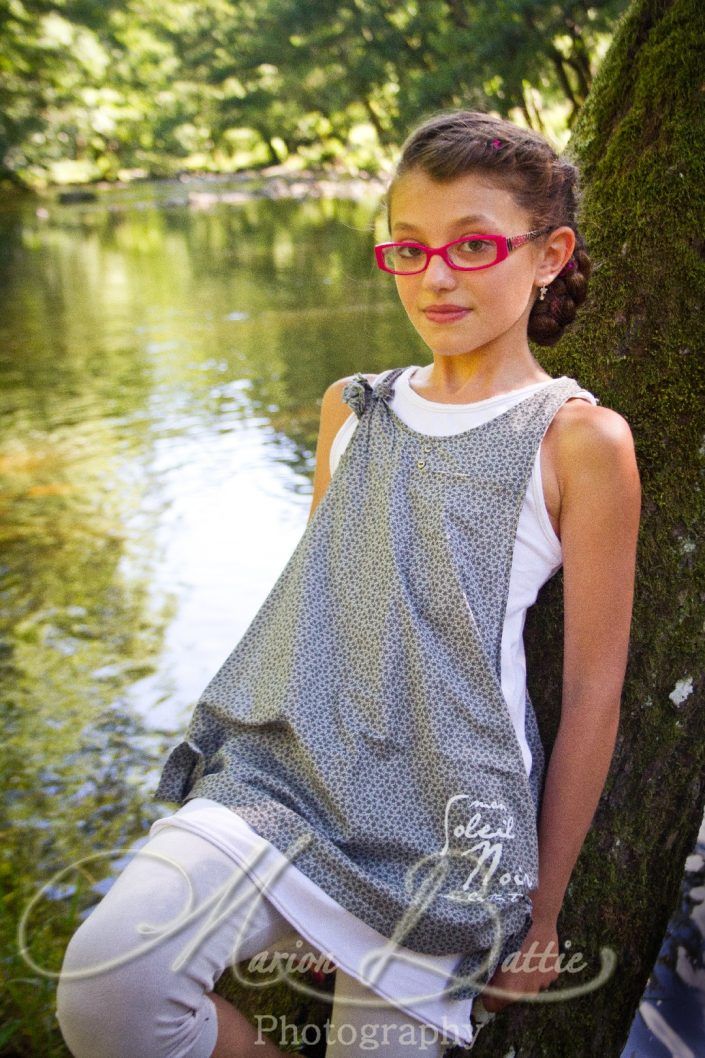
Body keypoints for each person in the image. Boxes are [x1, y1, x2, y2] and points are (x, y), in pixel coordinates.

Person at [55, 108, 641, 1058]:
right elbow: (324, 623)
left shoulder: (577, 440)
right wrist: (318, 883)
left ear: (547, 254)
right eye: (406, 250)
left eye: (473, 244)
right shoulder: (352, 409)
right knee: (109, 989)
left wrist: (542, 915)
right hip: (283, 793)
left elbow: (591, 693)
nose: (437, 276)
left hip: (446, 839)